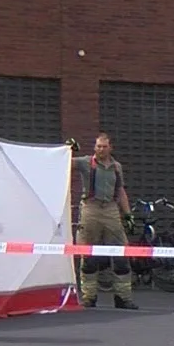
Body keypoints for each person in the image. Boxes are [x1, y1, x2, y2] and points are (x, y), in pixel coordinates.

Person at [68, 133, 138, 310]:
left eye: (104, 146)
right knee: (88, 254)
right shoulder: (85, 162)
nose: (100, 149)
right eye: (98, 146)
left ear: (110, 148)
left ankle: (123, 297)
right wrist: (68, 149)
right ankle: (89, 297)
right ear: (94, 148)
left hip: (111, 209)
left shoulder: (116, 167)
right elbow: (65, 163)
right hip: (90, 208)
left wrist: (128, 214)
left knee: (121, 252)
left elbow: (120, 190)